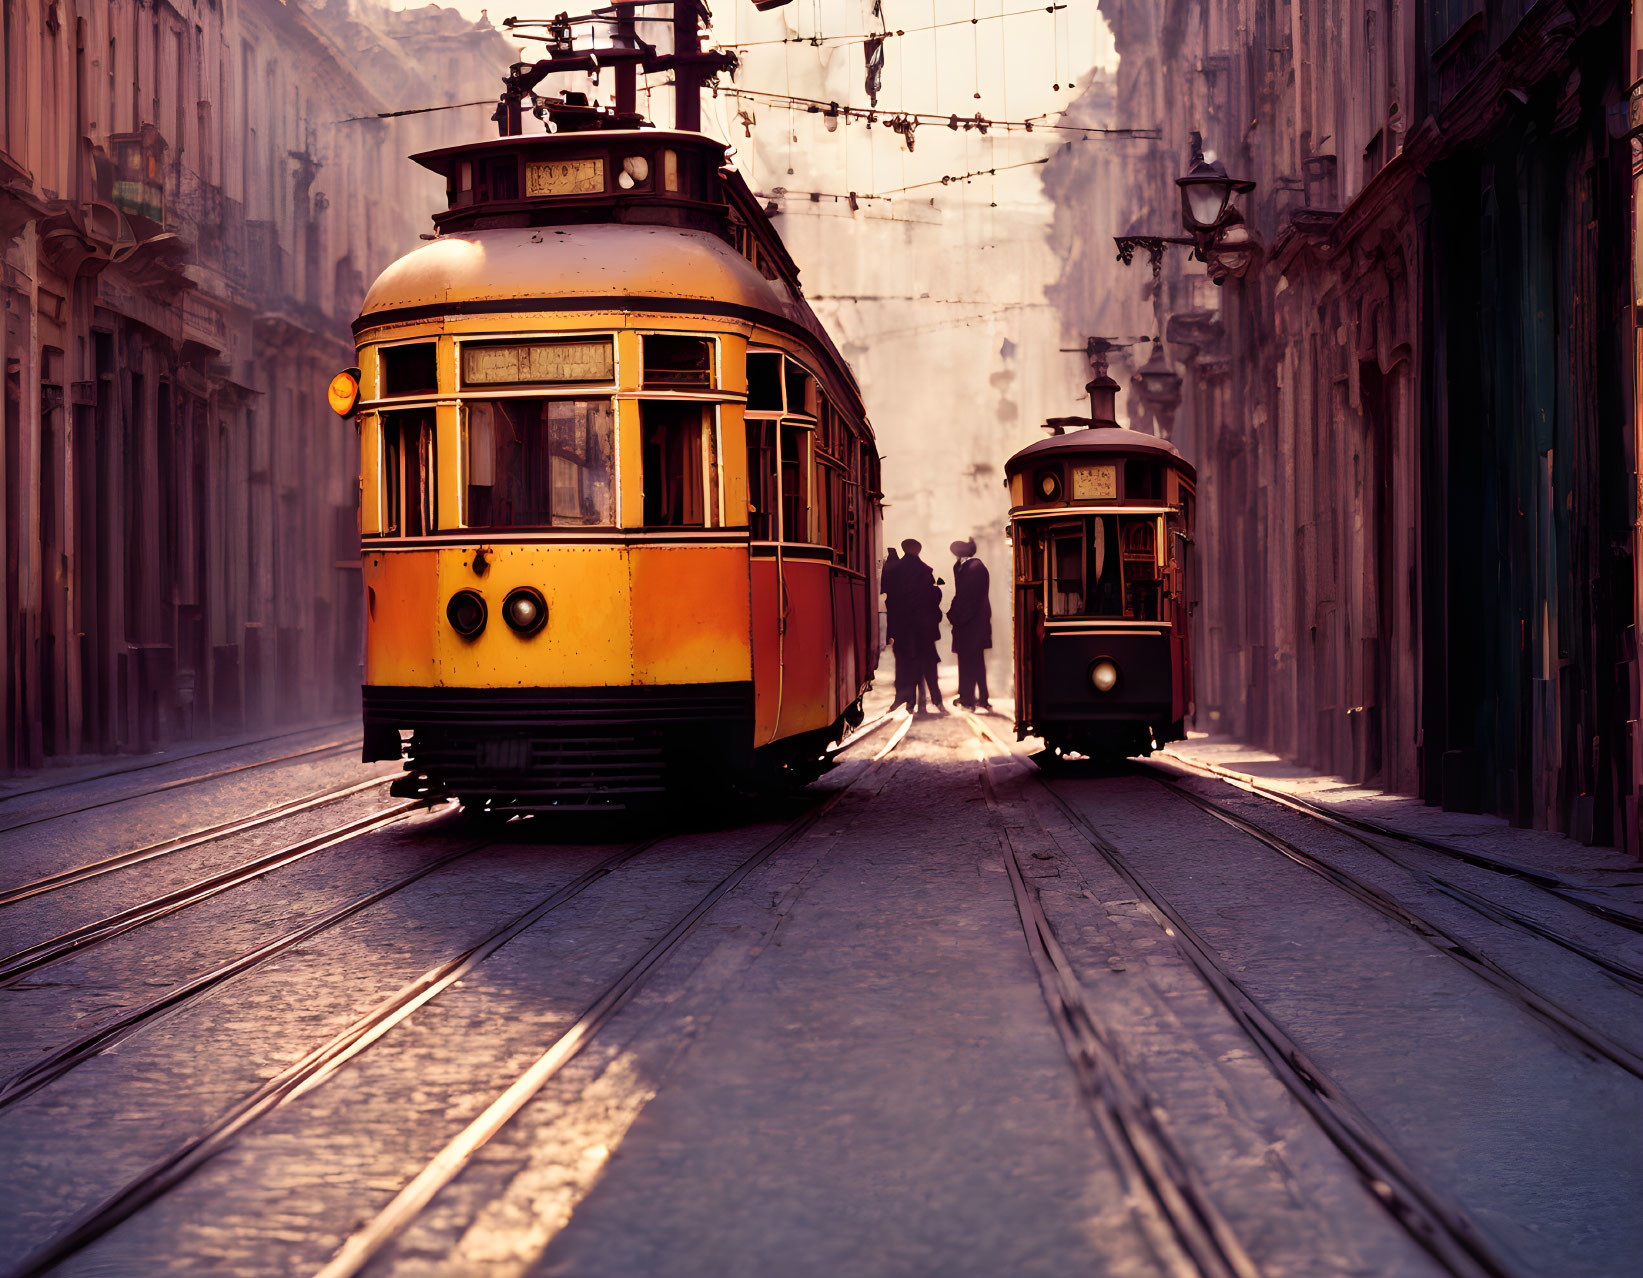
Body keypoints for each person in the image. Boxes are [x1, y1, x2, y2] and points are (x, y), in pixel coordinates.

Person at [892, 538, 945, 714]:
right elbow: (932, 600)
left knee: (908, 664)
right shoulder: (925, 572)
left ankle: (909, 701)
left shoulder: (895, 570)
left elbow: (892, 600)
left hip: (904, 628)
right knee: (928, 664)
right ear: (918, 550)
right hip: (924, 628)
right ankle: (935, 700)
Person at [948, 538, 992, 711]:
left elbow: (966, 597)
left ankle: (968, 699)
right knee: (976, 661)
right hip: (973, 621)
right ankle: (981, 698)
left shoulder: (972, 569)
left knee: (967, 661)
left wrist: (954, 615)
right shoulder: (970, 567)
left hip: (970, 622)